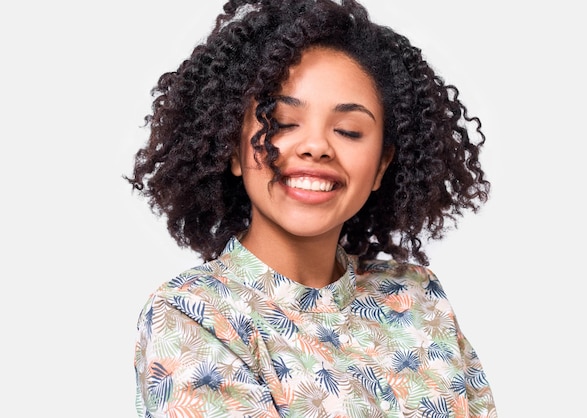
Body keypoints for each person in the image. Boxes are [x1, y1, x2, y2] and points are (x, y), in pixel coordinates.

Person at [127, 0, 497, 416]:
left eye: (348, 130)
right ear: (232, 149)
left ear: (381, 166)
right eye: (282, 123)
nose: (316, 146)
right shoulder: (193, 313)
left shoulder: (419, 297)